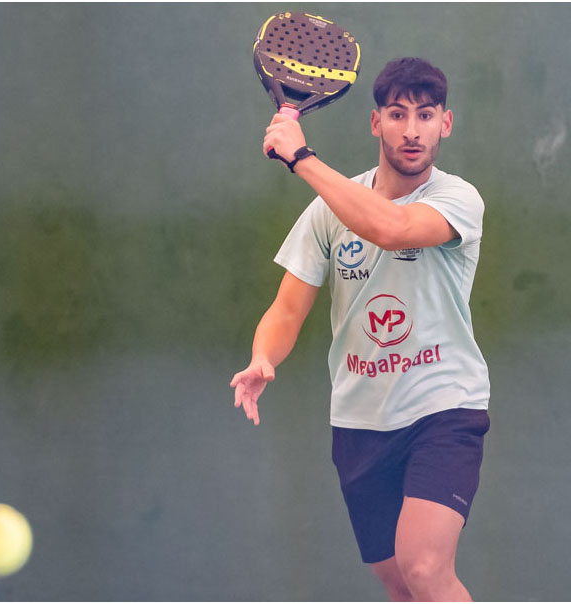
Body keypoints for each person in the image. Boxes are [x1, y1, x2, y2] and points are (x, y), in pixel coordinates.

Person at [230, 57, 490, 602]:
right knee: (398, 581)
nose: (412, 130)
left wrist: (301, 157)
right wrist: (263, 357)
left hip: (444, 408)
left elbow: (392, 228)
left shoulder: (458, 199)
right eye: (397, 114)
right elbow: (287, 309)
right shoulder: (329, 212)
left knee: (424, 568)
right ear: (376, 123)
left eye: (425, 115)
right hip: (359, 422)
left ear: (446, 123)